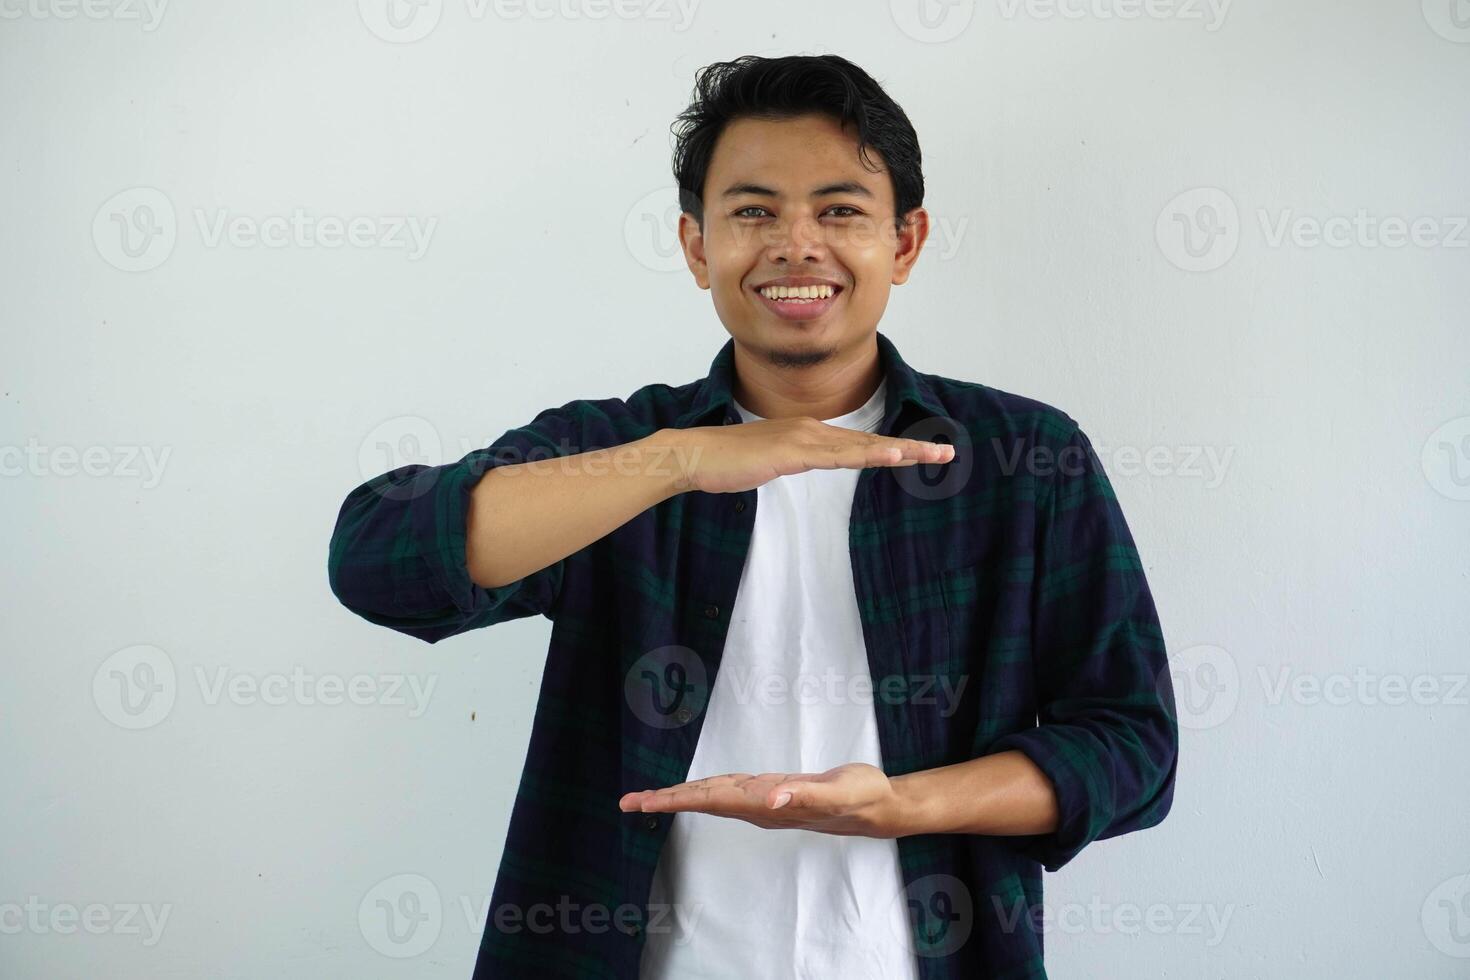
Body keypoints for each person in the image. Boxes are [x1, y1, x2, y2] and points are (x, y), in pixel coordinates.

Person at [328, 53, 1178, 980]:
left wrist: (903, 804)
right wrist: (684, 459)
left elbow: (1131, 745)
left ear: (905, 241)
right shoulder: (622, 449)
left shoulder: (1021, 458)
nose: (796, 244)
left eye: (840, 209)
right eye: (754, 211)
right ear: (698, 246)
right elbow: (376, 558)